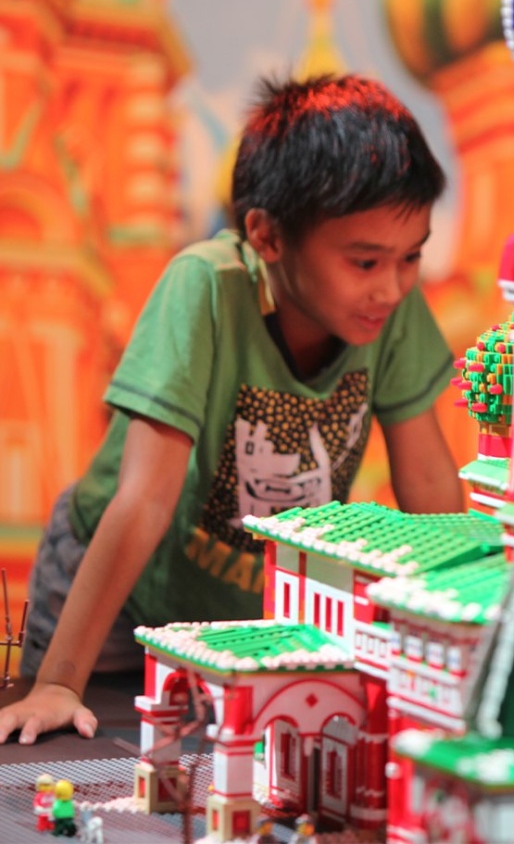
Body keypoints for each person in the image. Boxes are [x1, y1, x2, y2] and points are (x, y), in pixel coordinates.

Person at [0, 74, 463, 745]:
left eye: (411, 257)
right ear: (268, 236)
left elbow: (427, 483)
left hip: (249, 609)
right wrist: (60, 683)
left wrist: (464, 628)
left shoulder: (390, 311)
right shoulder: (206, 288)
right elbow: (144, 501)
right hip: (116, 594)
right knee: (80, 742)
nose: (391, 287)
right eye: (365, 262)